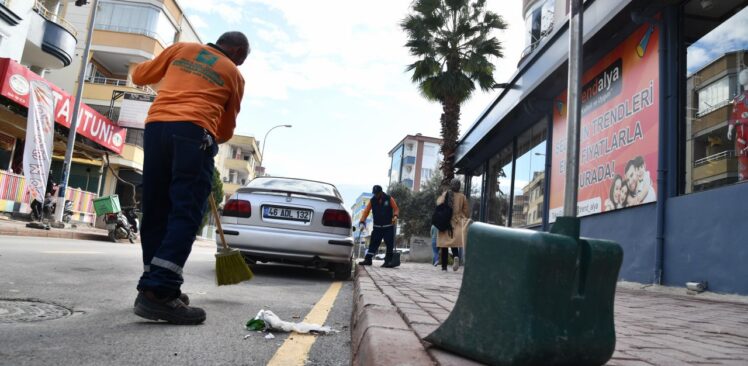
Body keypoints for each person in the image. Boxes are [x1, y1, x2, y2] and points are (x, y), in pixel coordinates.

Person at [131, 31, 249, 325]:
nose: (240, 64)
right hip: (193, 134)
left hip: (156, 129)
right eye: (243, 59)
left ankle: (156, 281)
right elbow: (225, 129)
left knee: (156, 209)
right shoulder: (233, 74)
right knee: (184, 213)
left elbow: (140, 76)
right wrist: (207, 143)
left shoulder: (181, 49)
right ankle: (158, 293)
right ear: (235, 51)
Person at [357, 185, 399, 268]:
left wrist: (395, 216)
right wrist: (362, 221)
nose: (375, 195)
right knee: (373, 243)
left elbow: (396, 208)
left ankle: (388, 261)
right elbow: (366, 211)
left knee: (389, 244)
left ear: (381, 192)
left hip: (388, 226)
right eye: (374, 193)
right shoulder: (372, 200)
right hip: (377, 227)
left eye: (377, 193)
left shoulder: (389, 198)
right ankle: (368, 260)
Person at [436, 178, 469, 272]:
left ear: (451, 185)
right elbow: (466, 211)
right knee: (454, 243)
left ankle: (444, 267)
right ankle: (456, 256)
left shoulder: (446, 194)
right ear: (459, 186)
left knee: (444, 245)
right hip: (456, 222)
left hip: (445, 221)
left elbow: (438, 203)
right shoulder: (462, 196)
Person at [728, 69, 748, 181]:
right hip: (740, 130)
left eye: (743, 75)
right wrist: (730, 129)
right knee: (742, 153)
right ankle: (744, 176)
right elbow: (734, 114)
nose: (741, 78)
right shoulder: (737, 99)